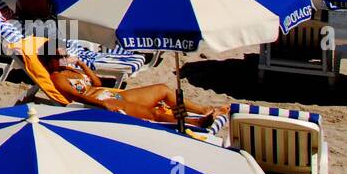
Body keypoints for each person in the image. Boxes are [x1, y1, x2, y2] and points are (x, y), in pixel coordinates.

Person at [41, 54, 226, 127]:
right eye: (59, 57)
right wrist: (103, 104)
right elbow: (76, 96)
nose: (64, 58)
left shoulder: (70, 70)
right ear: (50, 61)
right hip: (98, 102)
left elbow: (96, 82)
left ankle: (201, 109)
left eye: (65, 54)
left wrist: (80, 63)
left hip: (109, 93)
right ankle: (195, 122)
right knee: (151, 113)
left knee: (161, 90)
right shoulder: (57, 77)